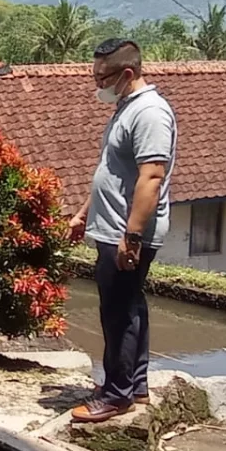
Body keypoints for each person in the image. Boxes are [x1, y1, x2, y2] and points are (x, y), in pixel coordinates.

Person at [67, 39, 177, 424]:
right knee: (129, 305)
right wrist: (83, 213)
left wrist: (131, 237)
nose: (97, 84)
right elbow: (110, 171)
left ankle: (117, 395)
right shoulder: (125, 108)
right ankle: (135, 384)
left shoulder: (149, 113)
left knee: (117, 312)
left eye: (103, 77)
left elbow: (151, 177)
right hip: (110, 225)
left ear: (127, 74)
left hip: (125, 232)